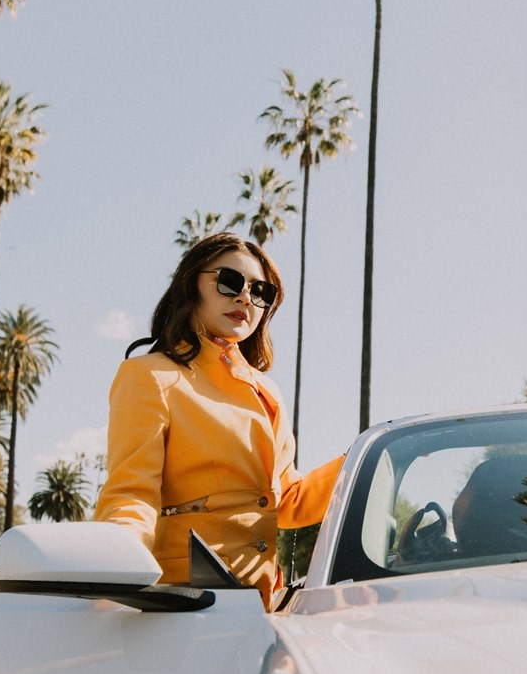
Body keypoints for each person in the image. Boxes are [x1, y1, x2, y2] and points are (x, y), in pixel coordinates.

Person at [94, 232, 342, 601]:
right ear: (192, 283)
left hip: (263, 607)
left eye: (262, 293)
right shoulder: (149, 376)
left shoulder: (266, 392)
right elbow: (131, 493)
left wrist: (364, 462)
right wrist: (115, 566)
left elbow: (286, 501)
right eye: (230, 282)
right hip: (180, 604)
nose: (245, 297)